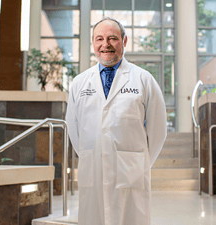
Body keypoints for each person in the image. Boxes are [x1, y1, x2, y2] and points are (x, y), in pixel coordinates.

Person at [66, 18, 167, 225]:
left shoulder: (143, 79)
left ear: (124, 40)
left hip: (131, 172)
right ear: (93, 43)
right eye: (99, 39)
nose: (106, 44)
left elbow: (158, 130)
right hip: (92, 170)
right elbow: (74, 129)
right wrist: (90, 155)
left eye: (112, 38)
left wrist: (140, 163)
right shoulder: (79, 82)